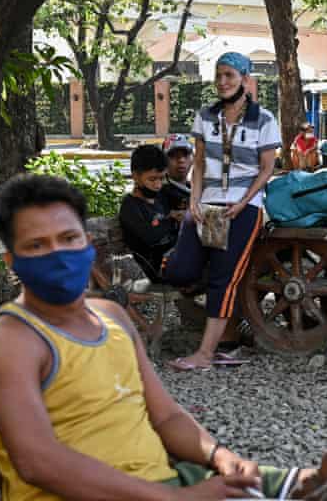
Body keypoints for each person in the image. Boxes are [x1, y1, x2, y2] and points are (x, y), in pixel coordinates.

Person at [0, 174, 311, 500]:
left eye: (68, 239)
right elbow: (39, 463)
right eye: (37, 245)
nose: (58, 253)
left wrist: (222, 457)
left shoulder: (112, 318)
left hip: (163, 483)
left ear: (88, 245)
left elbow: (166, 416)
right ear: (12, 260)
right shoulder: (12, 340)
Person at [162, 52, 279, 370]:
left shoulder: (264, 119)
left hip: (242, 208)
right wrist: (194, 202)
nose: (223, 81)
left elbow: (267, 168)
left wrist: (244, 202)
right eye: (219, 75)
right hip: (207, 206)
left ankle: (205, 354)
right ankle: (223, 327)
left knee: (223, 280)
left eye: (229, 75)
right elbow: (198, 163)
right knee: (180, 270)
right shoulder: (205, 116)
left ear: (245, 78)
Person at [118, 145, 179, 282]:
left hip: (170, 259)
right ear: (135, 176)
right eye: (152, 179)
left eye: (161, 178)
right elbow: (150, 236)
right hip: (151, 269)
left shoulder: (159, 199)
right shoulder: (130, 205)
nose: (158, 185)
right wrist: (171, 219)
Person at [160, 133, 193, 213]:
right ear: (164, 161)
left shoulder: (197, 189)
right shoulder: (160, 193)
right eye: (174, 155)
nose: (181, 160)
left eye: (185, 155)